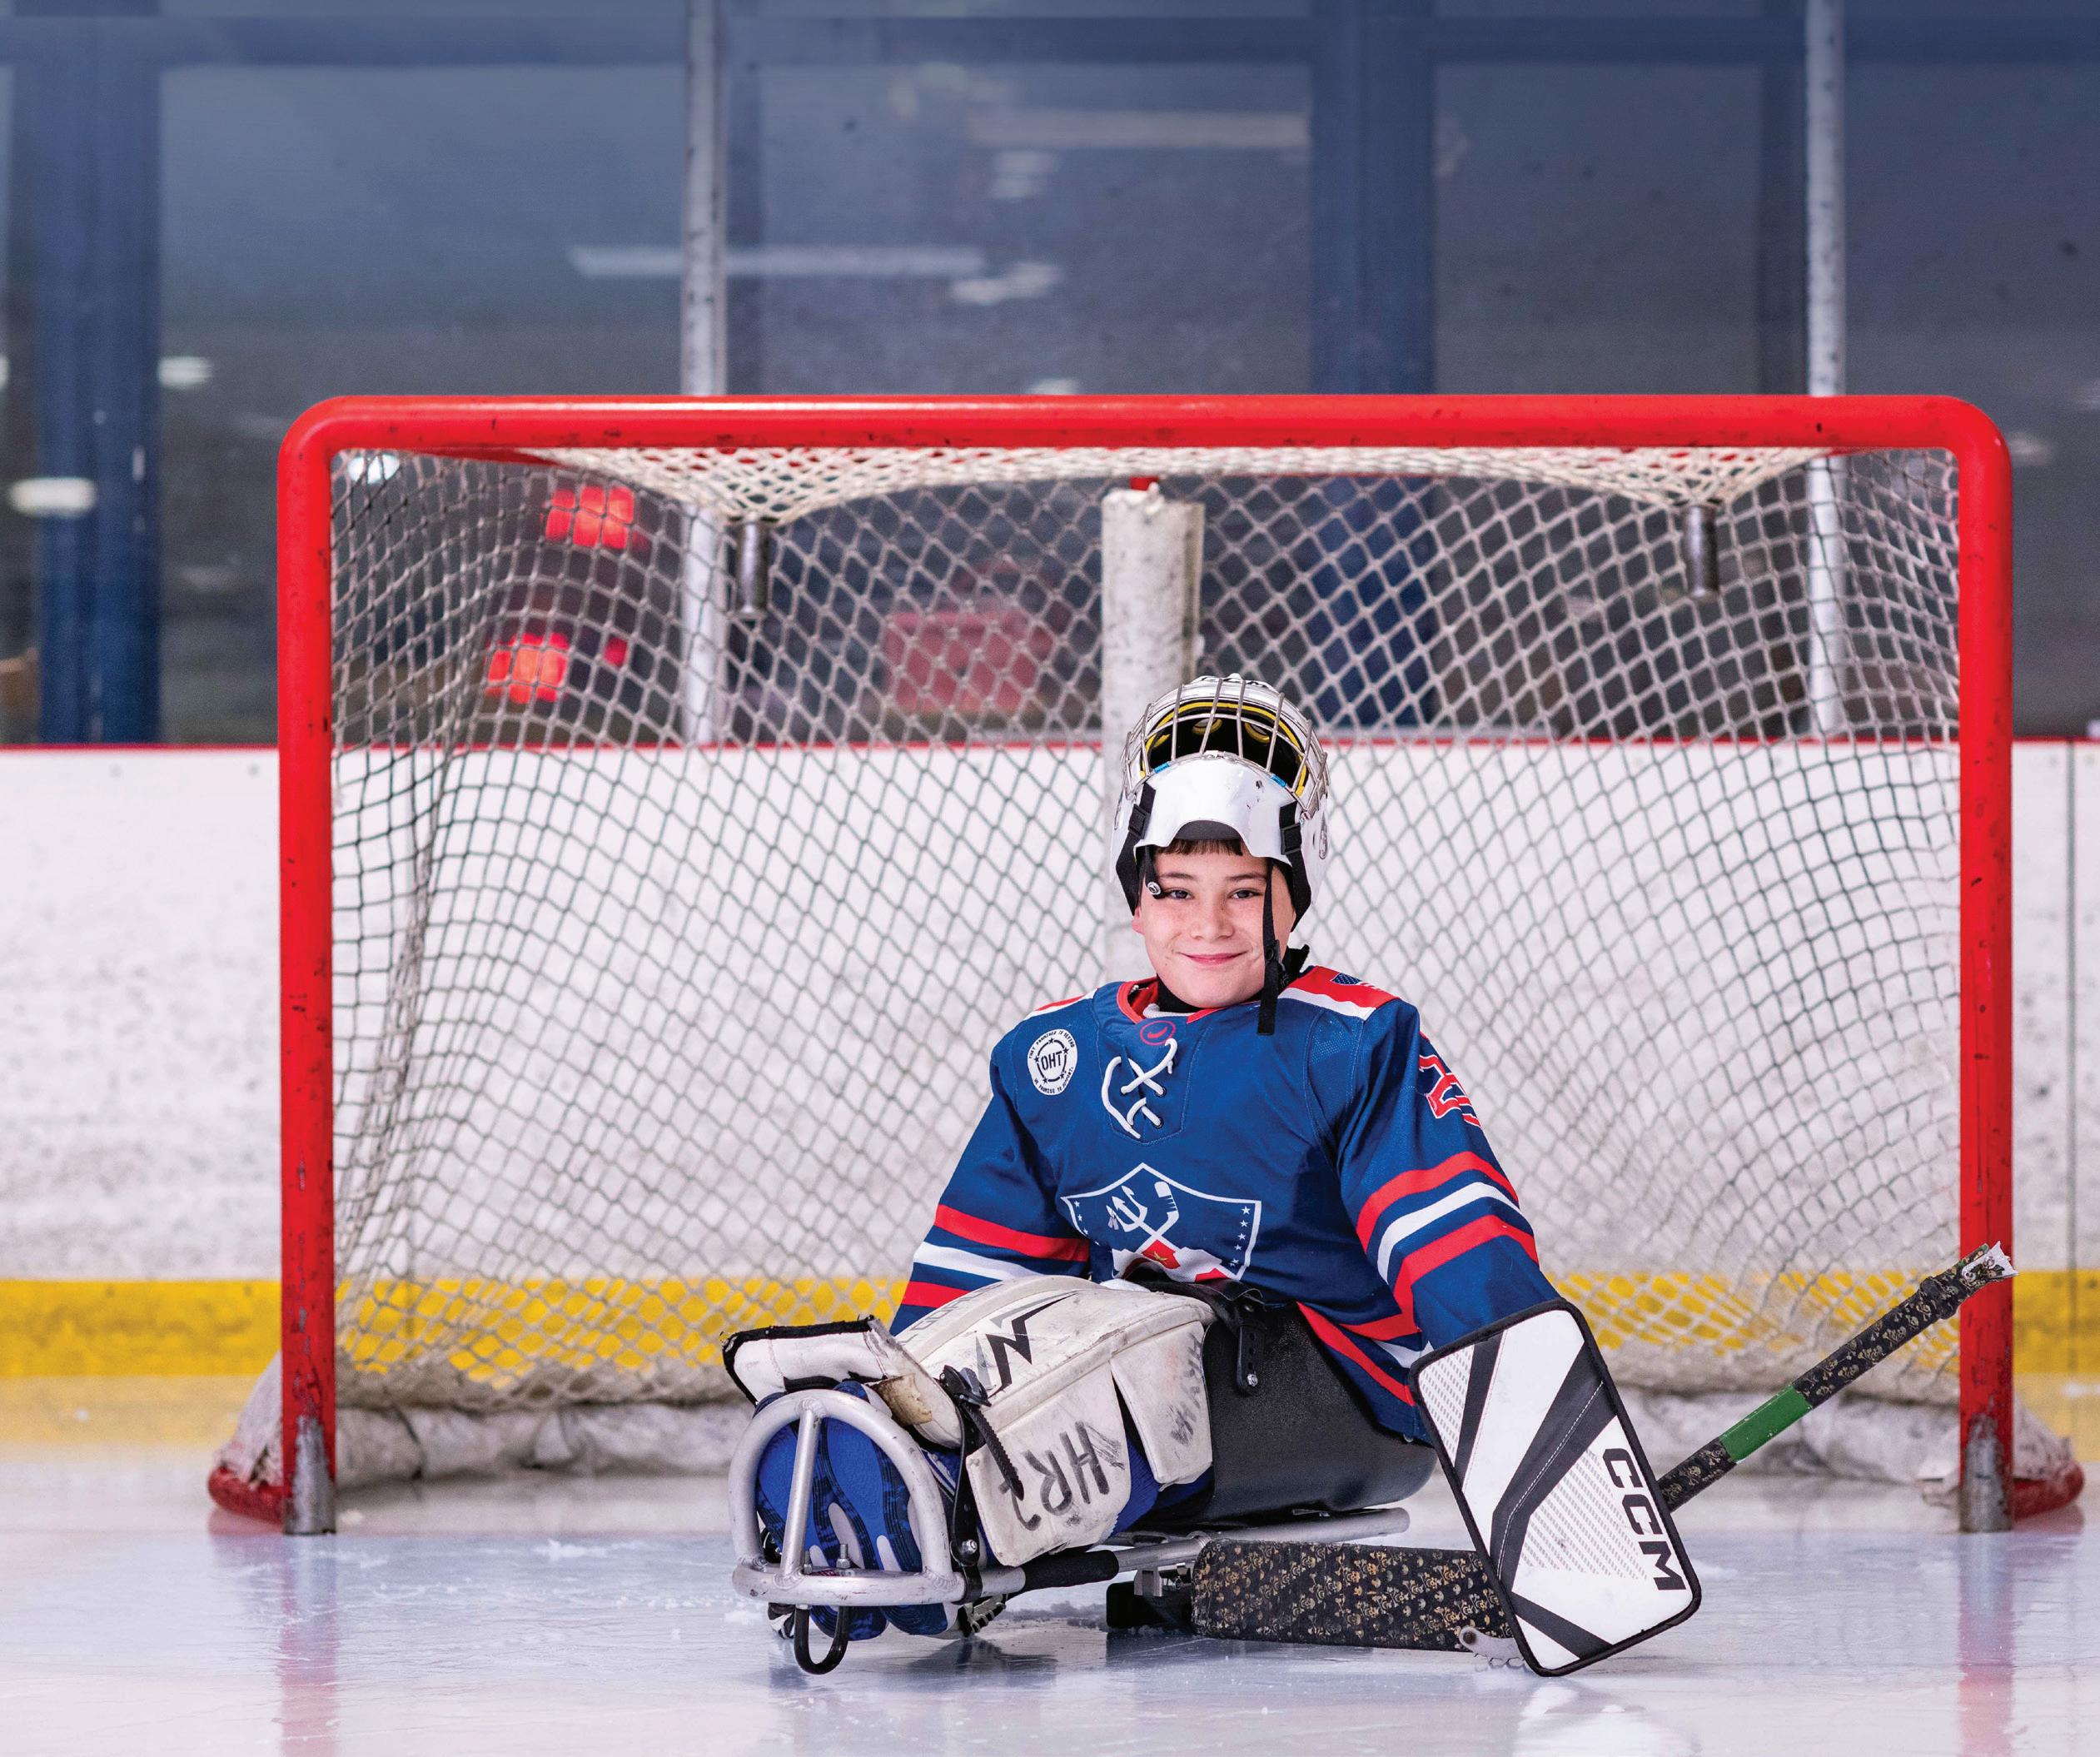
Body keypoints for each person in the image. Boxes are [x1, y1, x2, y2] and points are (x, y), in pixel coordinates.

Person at [733, 674, 1560, 1650]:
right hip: (1169, 1352)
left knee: (1136, 1350)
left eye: (1243, 891)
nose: (1207, 925)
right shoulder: (1054, 1058)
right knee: (1072, 1343)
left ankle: (943, 1518)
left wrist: (1548, 1443)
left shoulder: (1353, 1040)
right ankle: (896, 1496)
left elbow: (1453, 1245)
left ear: (1293, 896)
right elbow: (974, 1278)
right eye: (1174, 891)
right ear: (1135, 894)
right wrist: (909, 1406)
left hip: (1354, 1388)